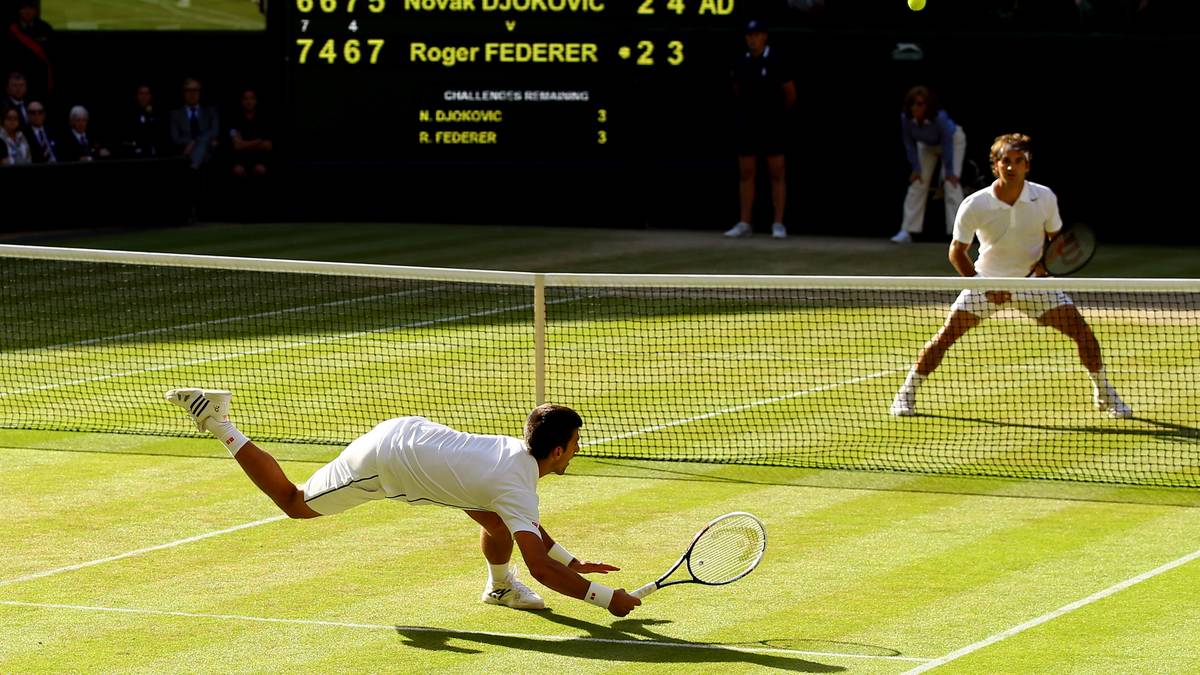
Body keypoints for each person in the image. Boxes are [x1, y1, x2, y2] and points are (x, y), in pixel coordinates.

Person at [164, 388, 642, 617]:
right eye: (576, 443)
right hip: (385, 461)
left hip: (409, 430)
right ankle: (219, 422)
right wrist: (605, 599)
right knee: (295, 502)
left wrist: (571, 561)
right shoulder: (516, 484)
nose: (578, 449)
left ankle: (499, 589)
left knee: (496, 522)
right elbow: (538, 565)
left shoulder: (510, 460)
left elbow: (526, 529)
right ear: (556, 451)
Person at [890, 132, 1132, 419]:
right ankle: (905, 395)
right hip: (986, 280)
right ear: (995, 165)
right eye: (1005, 161)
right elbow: (957, 252)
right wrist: (983, 287)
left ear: (1027, 165)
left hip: (1033, 284)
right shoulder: (975, 204)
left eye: (1018, 161)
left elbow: (1058, 241)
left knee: (1083, 333)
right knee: (944, 338)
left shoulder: (1044, 197)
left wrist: (1045, 264)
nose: (1011, 167)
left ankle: (1105, 393)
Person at [724, 19, 796, 240]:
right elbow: (736, 89)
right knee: (746, 174)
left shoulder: (777, 60)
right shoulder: (741, 62)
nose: (751, 39)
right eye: (748, 36)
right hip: (748, 125)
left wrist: (774, 115)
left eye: (755, 35)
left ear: (764, 36)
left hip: (773, 126)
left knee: (777, 174)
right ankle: (745, 222)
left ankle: (778, 223)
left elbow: (790, 94)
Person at [890, 85, 967, 244]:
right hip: (926, 145)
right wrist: (916, 168)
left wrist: (950, 171)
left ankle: (958, 234)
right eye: (912, 103)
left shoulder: (939, 117)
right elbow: (909, 143)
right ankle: (907, 230)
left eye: (919, 104)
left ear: (927, 105)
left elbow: (947, 143)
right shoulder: (906, 118)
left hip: (952, 141)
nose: (915, 107)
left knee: (951, 183)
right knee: (918, 182)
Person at [168, 77, 219, 169]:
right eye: (188, 90)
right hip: (184, 155)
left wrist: (194, 142)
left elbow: (214, 132)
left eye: (195, 90)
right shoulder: (174, 114)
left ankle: (194, 165)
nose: (192, 93)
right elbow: (175, 138)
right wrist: (201, 141)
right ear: (184, 93)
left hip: (209, 156)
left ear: (200, 92)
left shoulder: (210, 112)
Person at [227, 87, 272, 177]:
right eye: (246, 99)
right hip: (240, 159)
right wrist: (258, 141)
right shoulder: (233, 120)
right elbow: (237, 146)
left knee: (260, 169)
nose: (249, 102)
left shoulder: (264, 120)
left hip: (259, 159)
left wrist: (244, 143)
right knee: (238, 170)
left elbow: (268, 146)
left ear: (256, 101)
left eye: (252, 98)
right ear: (242, 101)